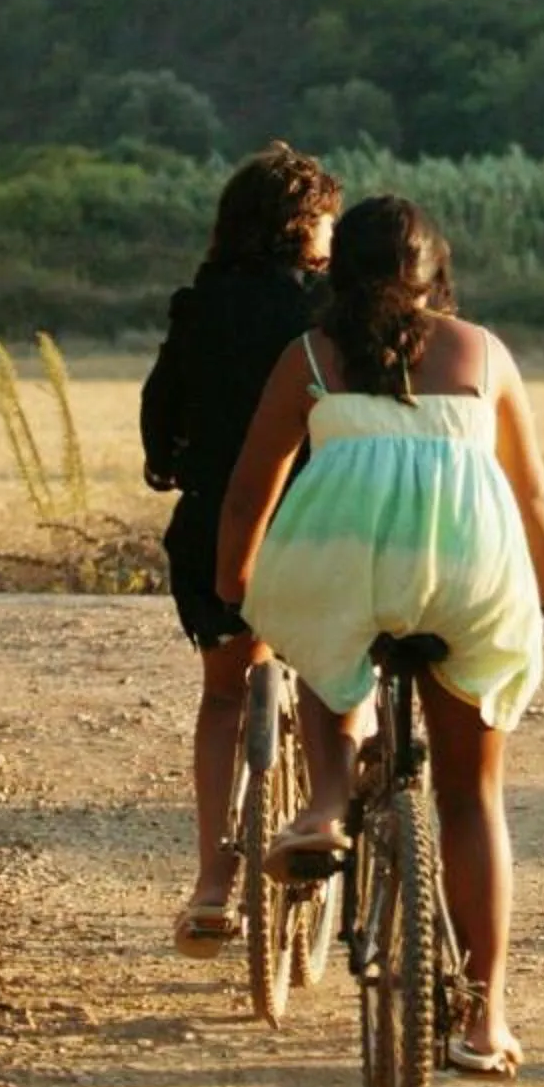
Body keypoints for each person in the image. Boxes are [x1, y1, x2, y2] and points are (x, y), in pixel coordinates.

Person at [215, 194, 544, 1077]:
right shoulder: (484, 352)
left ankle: (327, 800)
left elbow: (252, 485)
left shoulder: (309, 356)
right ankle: (485, 1018)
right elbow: (530, 491)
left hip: (346, 567)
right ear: (436, 274)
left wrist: (236, 583)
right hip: (470, 576)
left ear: (337, 272)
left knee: (322, 641)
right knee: (470, 798)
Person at [141, 139, 341, 956]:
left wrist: (172, 463)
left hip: (217, 529)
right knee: (331, 672)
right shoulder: (329, 310)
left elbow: (161, 413)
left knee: (224, 697)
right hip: (321, 524)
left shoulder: (202, 305)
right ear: (303, 225)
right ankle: (326, 812)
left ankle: (211, 888)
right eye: (326, 221)